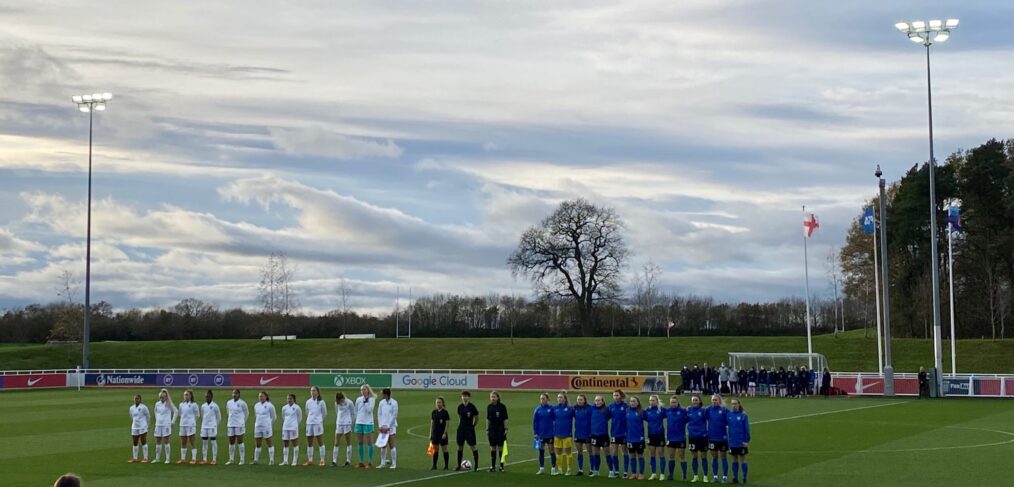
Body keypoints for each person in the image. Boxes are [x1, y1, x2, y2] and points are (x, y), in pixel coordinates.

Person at [706, 394, 730, 483]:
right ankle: (715, 476)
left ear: (719, 401)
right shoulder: (708, 410)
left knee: (723, 457)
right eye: (713, 400)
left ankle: (724, 477)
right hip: (712, 437)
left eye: (715, 400)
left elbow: (729, 421)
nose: (714, 401)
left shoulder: (724, 410)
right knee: (714, 457)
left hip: (722, 438)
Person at [664, 395, 689, 481]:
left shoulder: (683, 411)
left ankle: (684, 475)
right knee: (671, 456)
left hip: (680, 437)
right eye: (671, 402)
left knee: (682, 456)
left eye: (674, 402)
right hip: (671, 437)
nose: (673, 404)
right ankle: (671, 475)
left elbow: (688, 420)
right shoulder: (667, 411)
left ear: (678, 402)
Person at [606, 389, 629, 478]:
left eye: (617, 395)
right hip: (614, 433)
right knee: (614, 452)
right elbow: (606, 418)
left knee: (624, 452)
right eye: (614, 395)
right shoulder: (611, 407)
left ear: (621, 396)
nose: (615, 397)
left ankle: (626, 472)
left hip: (624, 433)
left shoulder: (626, 406)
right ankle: (616, 471)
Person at [728, 399, 751, 484]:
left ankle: (744, 478)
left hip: (741, 442)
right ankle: (735, 478)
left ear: (739, 404)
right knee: (734, 460)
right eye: (732, 404)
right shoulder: (729, 415)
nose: (733, 405)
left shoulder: (743, 416)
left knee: (743, 459)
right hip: (732, 441)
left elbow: (747, 429)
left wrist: (746, 441)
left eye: (735, 404)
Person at [455, 390, 480, 471]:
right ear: (461, 397)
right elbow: (459, 417)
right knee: (459, 447)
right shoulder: (459, 407)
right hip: (461, 429)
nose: (464, 397)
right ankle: (458, 465)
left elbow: (476, 418)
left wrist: (472, 426)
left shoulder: (472, 407)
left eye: (466, 396)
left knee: (473, 446)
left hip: (469, 429)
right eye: (463, 396)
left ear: (468, 397)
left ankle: (476, 466)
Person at [552, 392, 575, 476]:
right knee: (558, 452)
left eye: (561, 397)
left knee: (568, 452)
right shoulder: (554, 408)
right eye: (558, 397)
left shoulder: (570, 409)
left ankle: (569, 469)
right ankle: (560, 469)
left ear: (565, 399)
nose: (559, 399)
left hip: (567, 434)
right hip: (557, 434)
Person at [532, 392, 556, 475]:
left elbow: (556, 419)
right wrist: (535, 433)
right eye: (541, 399)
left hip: (550, 434)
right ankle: (541, 468)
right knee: (540, 451)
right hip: (540, 434)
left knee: (551, 450)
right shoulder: (537, 409)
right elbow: (535, 422)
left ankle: (553, 469)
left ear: (547, 399)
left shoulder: (552, 408)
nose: (542, 400)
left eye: (543, 398)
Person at [304, 385, 328, 466]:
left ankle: (322, 460)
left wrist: (319, 420)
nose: (312, 392)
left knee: (320, 442)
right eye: (311, 391)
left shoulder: (321, 402)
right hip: (309, 423)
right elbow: (307, 412)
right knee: (309, 442)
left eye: (314, 390)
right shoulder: (308, 402)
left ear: (317, 392)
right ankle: (310, 460)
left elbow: (324, 413)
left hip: (317, 423)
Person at [686, 395, 708, 482]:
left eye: (696, 400)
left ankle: (705, 476)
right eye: (693, 400)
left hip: (702, 436)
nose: (694, 402)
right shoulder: (689, 410)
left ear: (699, 401)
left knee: (703, 456)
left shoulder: (703, 411)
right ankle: (695, 476)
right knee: (694, 457)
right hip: (692, 437)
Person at [354, 384, 377, 467]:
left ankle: (370, 462)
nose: (362, 391)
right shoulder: (358, 399)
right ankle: (361, 461)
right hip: (359, 422)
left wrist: (366, 402)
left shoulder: (372, 399)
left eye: (364, 389)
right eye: (361, 390)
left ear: (368, 390)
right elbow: (355, 410)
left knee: (369, 442)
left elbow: (369, 410)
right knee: (360, 442)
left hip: (368, 422)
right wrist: (356, 420)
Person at [644, 394, 666, 480]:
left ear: (657, 401)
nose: (651, 402)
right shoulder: (647, 410)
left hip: (660, 435)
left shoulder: (662, 410)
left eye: (653, 400)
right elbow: (645, 419)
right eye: (650, 400)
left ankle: (662, 474)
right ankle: (653, 473)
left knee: (661, 454)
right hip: (651, 435)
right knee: (652, 455)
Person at [486, 390, 508, 472]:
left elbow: (505, 418)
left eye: (494, 397)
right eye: (491, 397)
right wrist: (487, 429)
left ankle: (501, 466)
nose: (492, 398)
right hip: (492, 430)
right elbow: (488, 419)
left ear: (498, 398)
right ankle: (493, 466)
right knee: (492, 448)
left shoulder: (502, 407)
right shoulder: (489, 407)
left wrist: (506, 428)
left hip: (500, 429)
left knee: (500, 447)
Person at [625, 396, 646, 480]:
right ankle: (634, 473)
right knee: (632, 456)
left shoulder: (641, 412)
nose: (632, 403)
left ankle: (641, 473)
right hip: (630, 438)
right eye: (631, 401)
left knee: (640, 456)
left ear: (638, 402)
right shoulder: (627, 411)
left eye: (634, 401)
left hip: (639, 438)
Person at [153, 388, 177, 464]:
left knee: (166, 441)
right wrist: (157, 420)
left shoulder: (169, 404)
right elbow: (155, 411)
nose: (161, 399)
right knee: (158, 441)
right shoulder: (157, 404)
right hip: (158, 425)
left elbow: (176, 411)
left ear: (166, 397)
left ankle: (167, 459)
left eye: (163, 397)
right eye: (160, 397)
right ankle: (157, 458)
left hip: (166, 425)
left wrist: (172, 422)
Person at [225, 388, 249, 465]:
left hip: (239, 424)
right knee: (231, 442)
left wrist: (242, 422)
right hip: (230, 424)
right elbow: (228, 412)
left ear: (239, 394)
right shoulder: (229, 403)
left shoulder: (242, 403)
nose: (234, 395)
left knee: (240, 442)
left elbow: (246, 413)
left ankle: (242, 460)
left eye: (235, 393)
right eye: (233, 393)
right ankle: (231, 459)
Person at [587, 395, 609, 478]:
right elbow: (581, 404)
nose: (597, 402)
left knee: (607, 454)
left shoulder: (607, 410)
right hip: (594, 435)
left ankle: (611, 471)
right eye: (596, 400)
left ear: (602, 401)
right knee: (595, 454)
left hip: (604, 435)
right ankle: (596, 471)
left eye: (599, 400)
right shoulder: (591, 409)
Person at [253, 391, 277, 465]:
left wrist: (269, 424)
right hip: (258, 426)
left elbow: (274, 417)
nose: (261, 398)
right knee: (258, 444)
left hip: (266, 427)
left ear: (266, 397)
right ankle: (256, 460)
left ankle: (271, 460)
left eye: (262, 396)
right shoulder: (256, 405)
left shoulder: (270, 405)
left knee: (269, 443)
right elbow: (256, 415)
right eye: (259, 396)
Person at [377, 388, 399, 469]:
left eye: (382, 394)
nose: (381, 395)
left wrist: (388, 426)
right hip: (383, 427)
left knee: (391, 444)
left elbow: (394, 415)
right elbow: (379, 414)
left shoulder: (394, 403)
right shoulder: (381, 403)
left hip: (391, 427)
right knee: (383, 445)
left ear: (386, 394)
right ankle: (382, 463)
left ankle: (394, 463)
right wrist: (380, 425)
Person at [177, 389, 200, 464]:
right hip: (182, 424)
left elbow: (197, 415)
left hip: (190, 425)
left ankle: (193, 458)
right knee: (183, 442)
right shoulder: (181, 404)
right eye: (184, 395)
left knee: (192, 441)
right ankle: (183, 459)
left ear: (190, 396)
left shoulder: (194, 404)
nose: (185, 396)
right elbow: (180, 414)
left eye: (187, 395)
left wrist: (192, 422)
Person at [332, 391, 355, 467]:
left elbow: (353, 413)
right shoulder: (336, 403)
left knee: (348, 442)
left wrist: (351, 423)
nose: (338, 402)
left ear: (342, 399)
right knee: (336, 442)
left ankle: (348, 460)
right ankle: (334, 461)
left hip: (347, 423)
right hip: (339, 423)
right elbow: (336, 412)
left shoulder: (349, 403)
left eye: (339, 401)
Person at [572, 394, 592, 476]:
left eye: (581, 399)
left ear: (584, 400)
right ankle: (580, 469)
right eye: (578, 399)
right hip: (578, 434)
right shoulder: (575, 408)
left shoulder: (589, 408)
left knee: (590, 452)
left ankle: (592, 469)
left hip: (587, 434)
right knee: (579, 452)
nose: (579, 401)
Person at [199, 390, 221, 465]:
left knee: (213, 442)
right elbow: (202, 415)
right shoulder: (203, 406)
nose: (206, 398)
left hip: (212, 426)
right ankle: (204, 459)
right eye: (206, 397)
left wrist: (215, 425)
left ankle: (214, 459)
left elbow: (219, 417)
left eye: (208, 396)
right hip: (204, 426)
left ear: (211, 397)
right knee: (204, 442)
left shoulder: (215, 406)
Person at [281, 393, 302, 466]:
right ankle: (285, 460)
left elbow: (299, 418)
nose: (289, 400)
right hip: (285, 427)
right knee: (285, 444)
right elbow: (283, 417)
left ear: (294, 399)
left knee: (294, 444)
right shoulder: (284, 408)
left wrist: (295, 425)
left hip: (293, 428)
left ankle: (294, 461)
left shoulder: (297, 408)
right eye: (288, 399)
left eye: (290, 399)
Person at [430, 396, 451, 470]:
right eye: (437, 402)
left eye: (439, 402)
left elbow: (447, 423)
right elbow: (432, 423)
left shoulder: (445, 412)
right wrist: (431, 434)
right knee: (435, 450)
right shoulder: (434, 412)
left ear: (442, 403)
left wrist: (445, 433)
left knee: (444, 449)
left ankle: (446, 466)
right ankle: (434, 465)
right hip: (435, 434)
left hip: (442, 434)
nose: (438, 404)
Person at [128, 394, 150, 463]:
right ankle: (135, 458)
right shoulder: (131, 408)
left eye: (137, 399)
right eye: (135, 399)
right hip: (134, 426)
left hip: (142, 426)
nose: (136, 400)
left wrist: (146, 425)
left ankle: (145, 458)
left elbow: (148, 416)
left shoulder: (144, 407)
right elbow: (132, 416)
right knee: (135, 442)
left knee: (143, 441)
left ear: (140, 400)